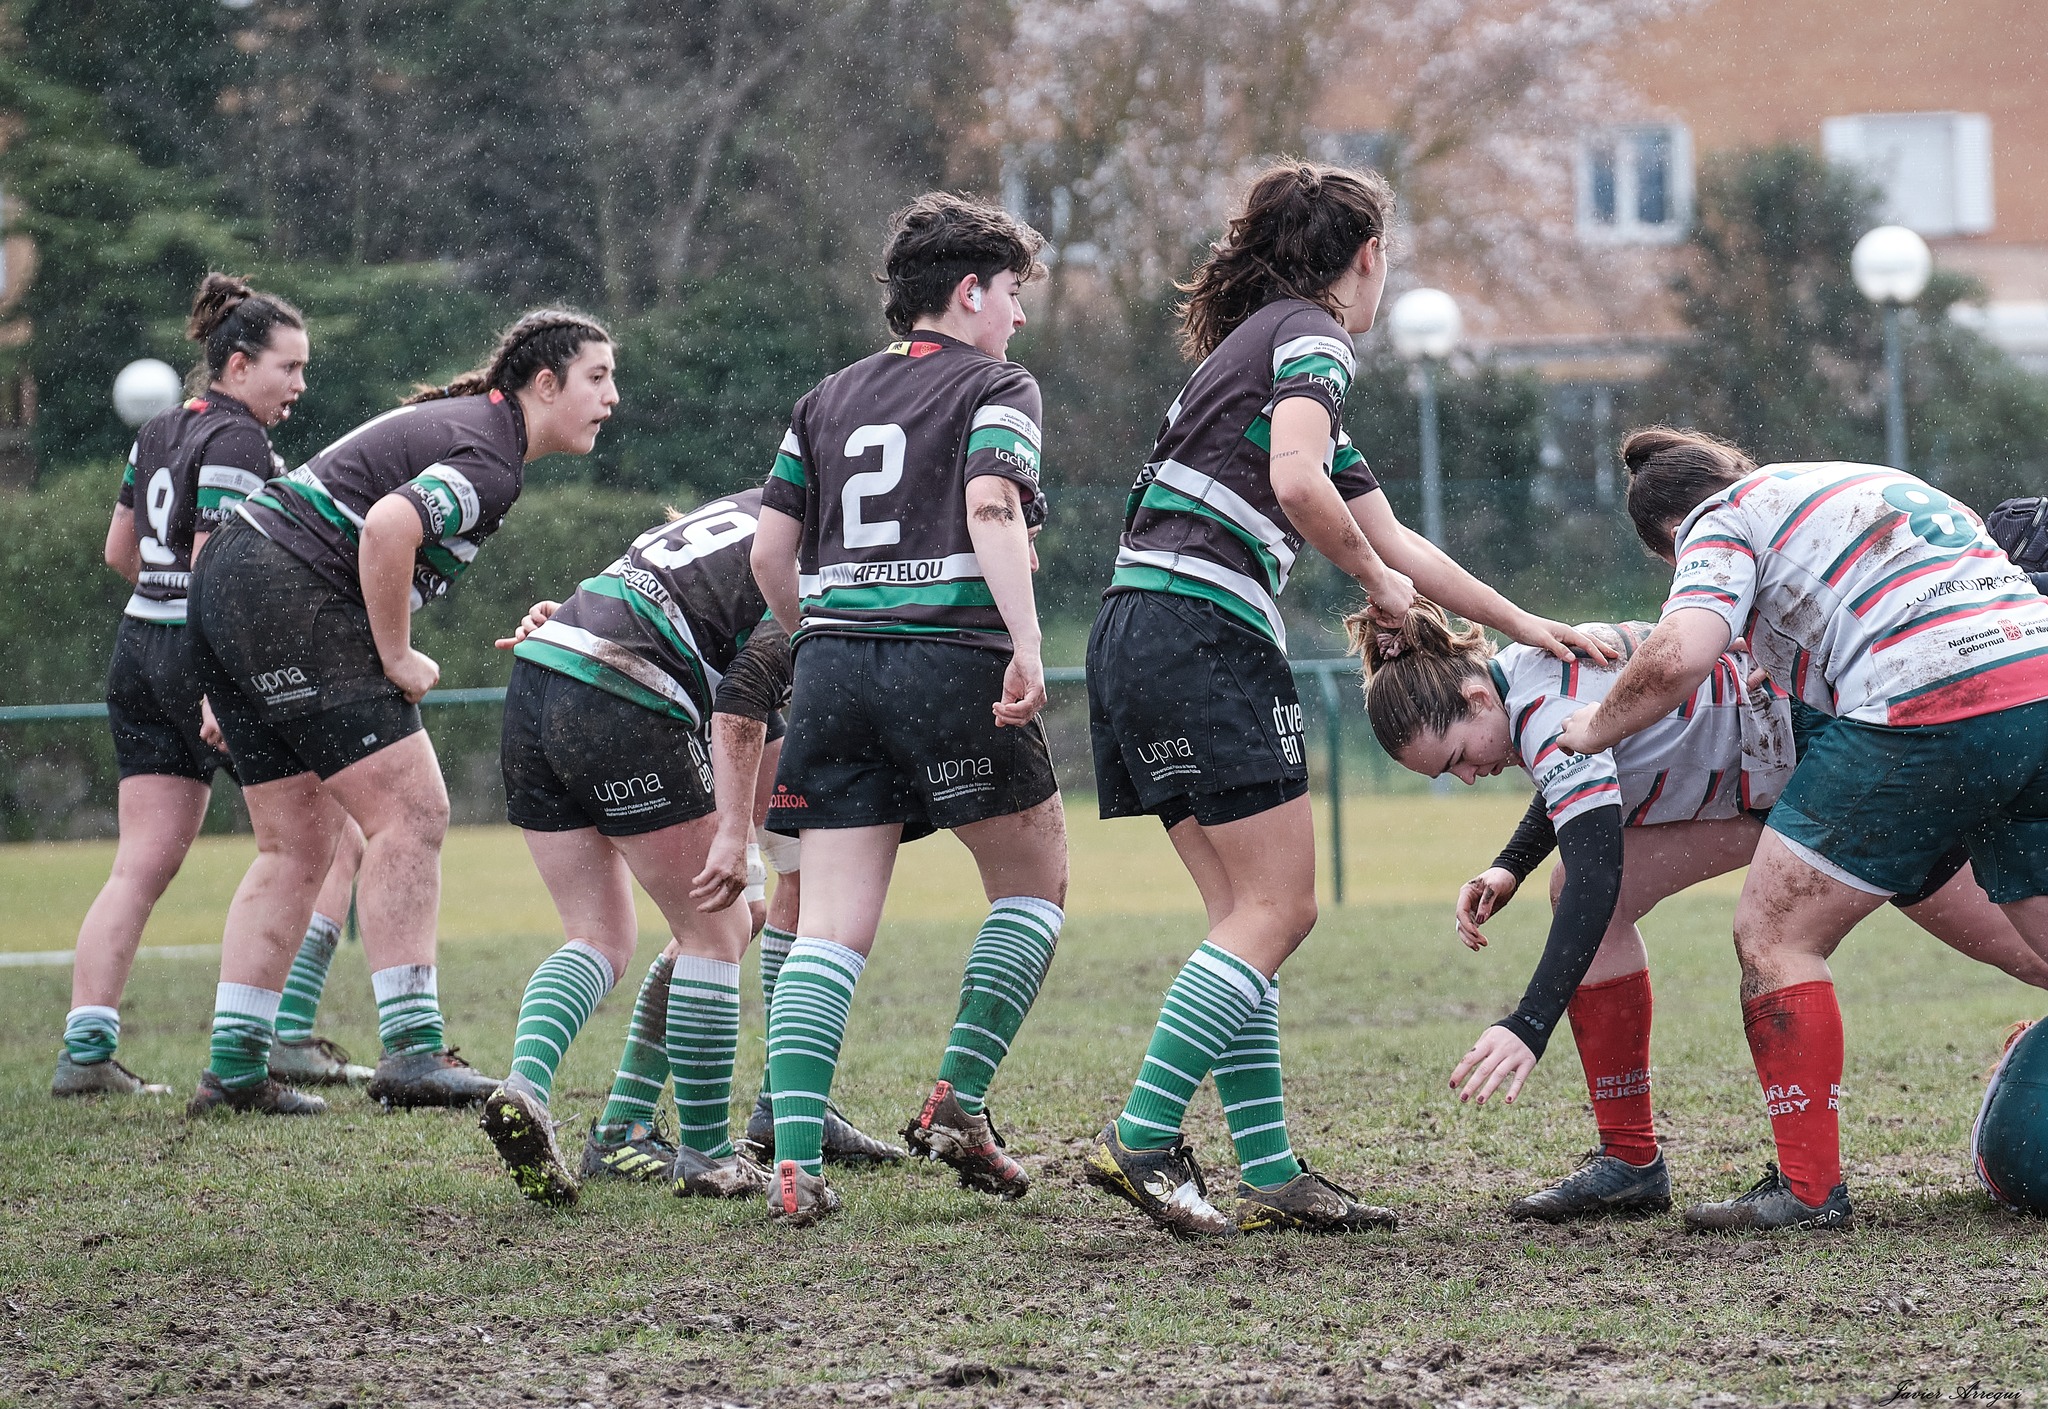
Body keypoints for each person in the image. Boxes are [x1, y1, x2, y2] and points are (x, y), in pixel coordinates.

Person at [1078, 159, 1614, 1239]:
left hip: (1128, 628)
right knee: (1281, 909)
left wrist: (1524, 626)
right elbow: (1299, 488)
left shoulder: (1254, 347)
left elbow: (1397, 534)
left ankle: (1270, 1166)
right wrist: (1371, 586)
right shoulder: (1312, 336)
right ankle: (1141, 1132)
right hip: (1203, 632)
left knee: (1241, 921)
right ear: (1365, 258)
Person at [1358, 600, 2048, 1224]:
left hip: (1833, 769)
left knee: (2019, 946)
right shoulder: (1525, 673)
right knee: (1573, 886)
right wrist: (1512, 862)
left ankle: (1806, 1190)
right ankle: (1629, 1163)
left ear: (1477, 697)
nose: (1470, 776)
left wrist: (1527, 1024)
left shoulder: (1538, 709)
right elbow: (1580, 786)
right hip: (1774, 787)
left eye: (1456, 759)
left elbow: (1600, 868)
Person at [1554, 426, 2048, 1232]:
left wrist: (1592, 729)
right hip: (2036, 675)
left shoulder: (1716, 519)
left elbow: (1679, 652)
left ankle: (1809, 1188)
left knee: (1774, 930)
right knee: (2040, 926)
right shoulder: (1849, 477)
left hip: (1929, 696)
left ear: (1673, 538)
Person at [184, 309, 616, 1115]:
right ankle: (414, 1052)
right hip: (288, 587)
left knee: (297, 843)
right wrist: (394, 654)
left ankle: (234, 1069)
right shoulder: (492, 456)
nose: (612, 396)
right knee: (413, 810)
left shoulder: (475, 430)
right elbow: (387, 527)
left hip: (230, 579)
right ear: (545, 384)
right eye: (598, 377)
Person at [749, 192, 1068, 1225]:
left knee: (829, 926)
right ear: (969, 290)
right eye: (1011, 292)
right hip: (950, 658)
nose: (1017, 317)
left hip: (832, 665)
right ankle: (958, 1098)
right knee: (1031, 884)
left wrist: (825, 635)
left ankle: (793, 1160)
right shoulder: (998, 383)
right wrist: (1024, 642)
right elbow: (990, 506)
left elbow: (767, 554)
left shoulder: (824, 397)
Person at [478, 487, 893, 1205]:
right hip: (624, 688)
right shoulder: (840, 545)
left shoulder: (763, 502)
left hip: (543, 674)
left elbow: (751, 712)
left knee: (603, 936)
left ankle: (540, 1093)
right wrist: (742, 842)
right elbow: (745, 693)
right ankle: (706, 1154)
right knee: (718, 926)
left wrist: (766, 855)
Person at [55, 272, 369, 1100]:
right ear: (236, 365)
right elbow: (213, 573)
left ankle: (85, 1051)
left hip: (135, 649)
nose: (300, 385)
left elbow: (122, 552)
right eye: (288, 368)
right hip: (203, 659)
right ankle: (283, 1033)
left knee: (139, 866)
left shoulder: (160, 430)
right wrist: (213, 687)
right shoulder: (237, 444)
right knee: (329, 832)